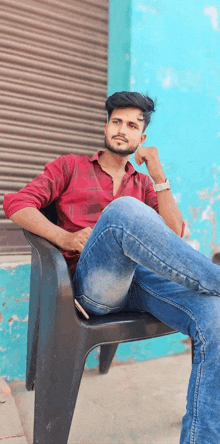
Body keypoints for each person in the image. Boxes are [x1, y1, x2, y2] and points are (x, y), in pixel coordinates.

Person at [3, 91, 220, 443]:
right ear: (106, 126)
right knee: (123, 212)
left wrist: (158, 171)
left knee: (215, 313)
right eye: (116, 121)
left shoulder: (143, 182)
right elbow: (16, 203)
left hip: (140, 283)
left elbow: (174, 236)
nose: (122, 129)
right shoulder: (70, 167)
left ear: (142, 138)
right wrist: (64, 237)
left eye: (132, 125)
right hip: (92, 287)